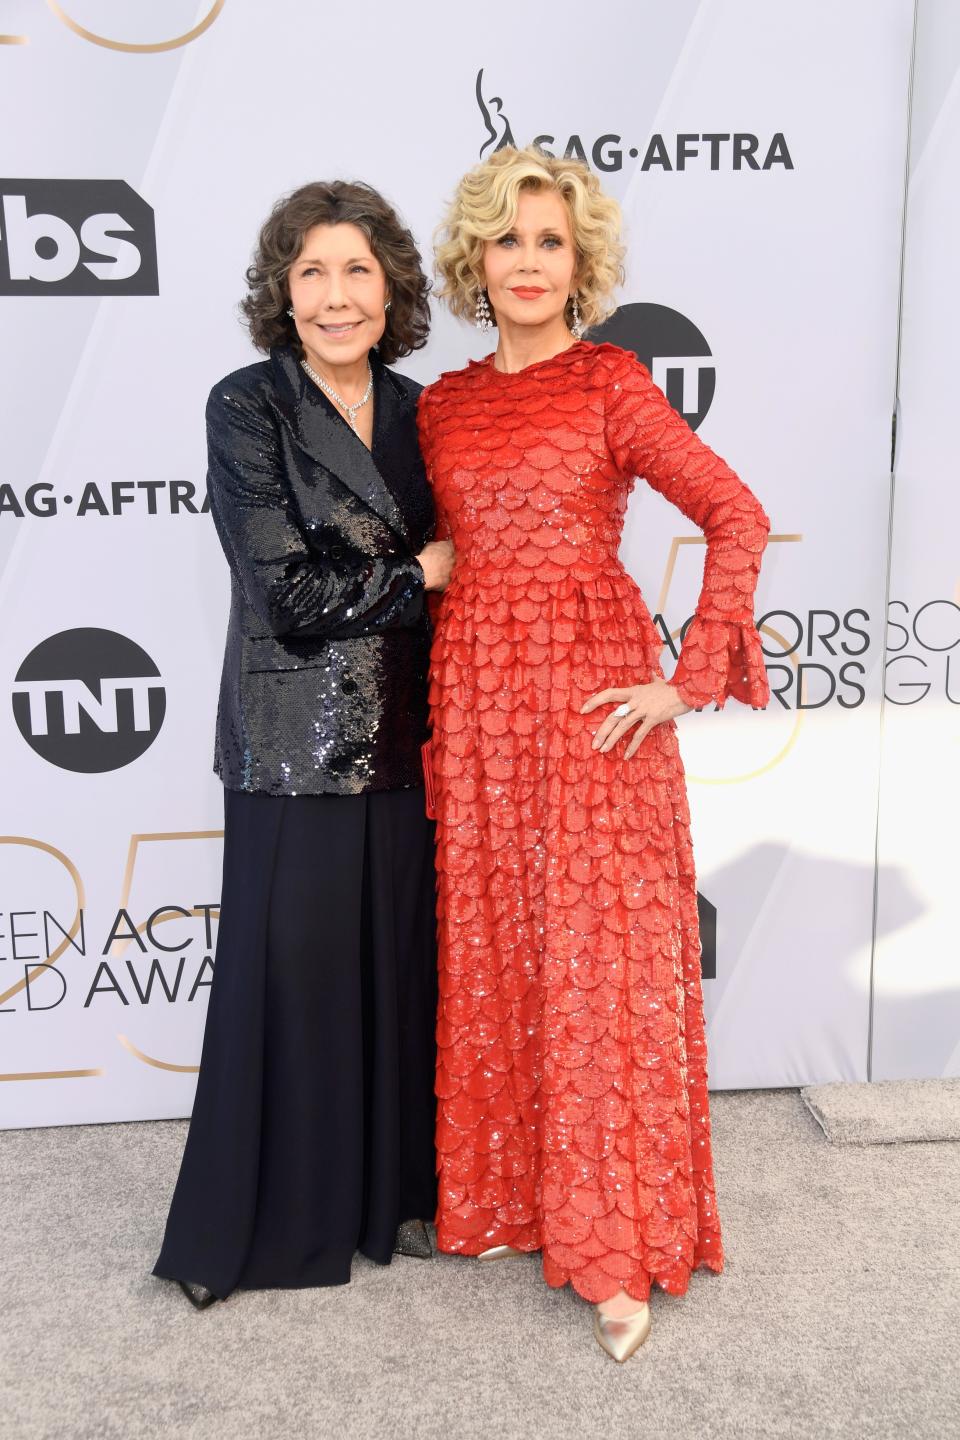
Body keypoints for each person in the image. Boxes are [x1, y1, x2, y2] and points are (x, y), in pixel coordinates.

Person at [418, 146, 770, 1361]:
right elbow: (454, 547)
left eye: (550, 242)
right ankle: (517, 1199)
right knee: (503, 943)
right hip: (475, 704)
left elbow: (737, 511)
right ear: (476, 256)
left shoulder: (611, 382)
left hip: (588, 702)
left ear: (581, 261)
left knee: (597, 958)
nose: (527, 261)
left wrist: (690, 676)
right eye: (508, 240)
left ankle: (616, 1244)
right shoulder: (442, 404)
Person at [153, 181, 454, 1307]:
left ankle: (388, 1204)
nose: (337, 296)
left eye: (359, 271)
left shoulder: (430, 409)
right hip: (292, 738)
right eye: (313, 272)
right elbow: (283, 592)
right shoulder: (248, 406)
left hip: (416, 741)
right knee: (281, 988)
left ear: (393, 288)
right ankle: (245, 1231)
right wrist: (419, 575)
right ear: (284, 290)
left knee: (391, 980)